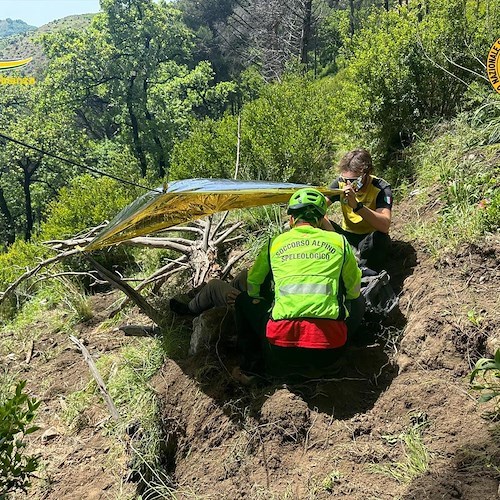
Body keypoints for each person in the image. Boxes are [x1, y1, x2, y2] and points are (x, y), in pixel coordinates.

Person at [234, 188, 364, 378]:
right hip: (329, 350)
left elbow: (253, 284)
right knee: (359, 301)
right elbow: (353, 291)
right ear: (320, 220)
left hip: (283, 350)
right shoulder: (339, 242)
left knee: (243, 301)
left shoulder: (275, 243)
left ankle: (251, 368)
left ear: (291, 219)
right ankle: (344, 356)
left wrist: (262, 299)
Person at [326, 149, 392, 271]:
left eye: (353, 181)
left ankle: (365, 271)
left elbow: (384, 225)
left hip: (368, 238)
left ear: (367, 174)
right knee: (318, 223)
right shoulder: (340, 183)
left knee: (381, 239)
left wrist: (357, 206)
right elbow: (318, 207)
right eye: (346, 179)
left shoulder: (380, 187)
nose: (348, 184)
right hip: (346, 236)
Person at [169, 271, 247, 316]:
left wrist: (247, 301)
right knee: (244, 275)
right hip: (256, 302)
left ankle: (190, 309)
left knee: (214, 286)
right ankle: (220, 296)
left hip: (255, 313)